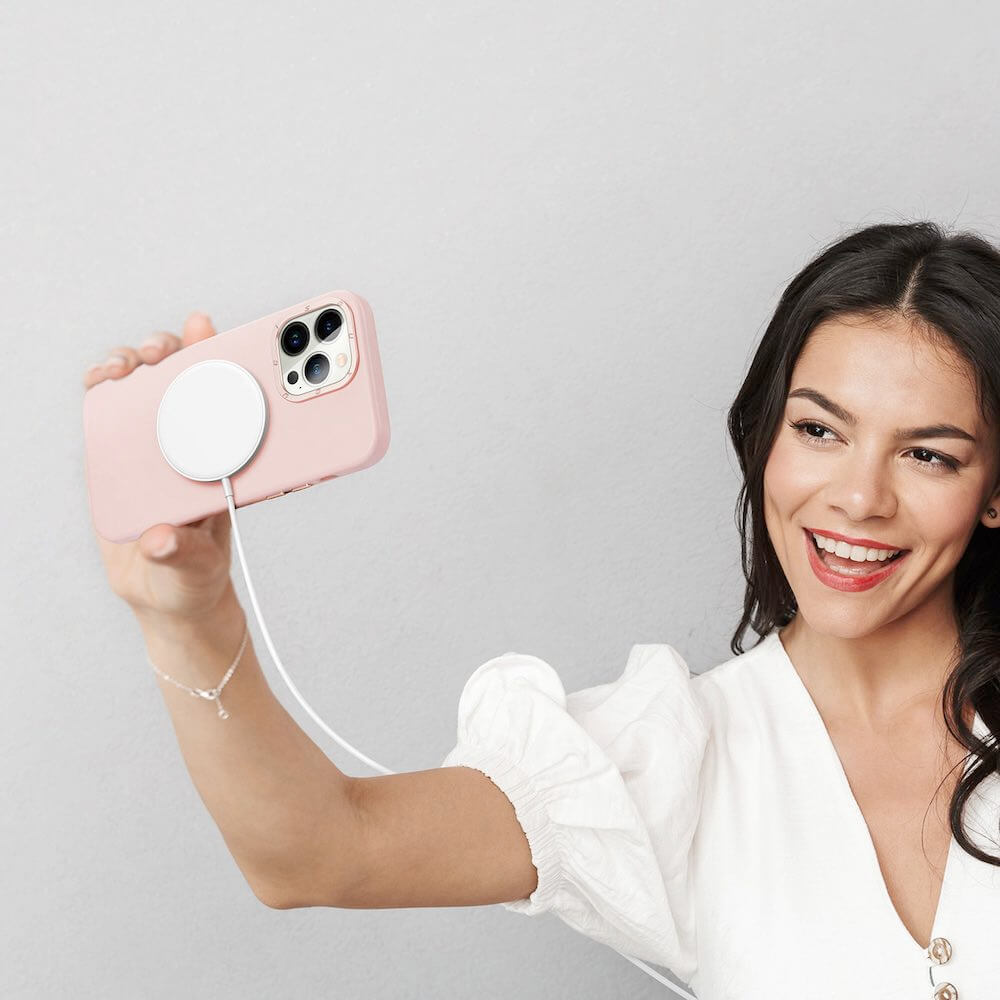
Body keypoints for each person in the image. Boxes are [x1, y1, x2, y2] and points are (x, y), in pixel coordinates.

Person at [82, 221, 1000, 999]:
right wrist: (188, 616)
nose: (859, 499)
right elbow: (320, 852)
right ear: (767, 438)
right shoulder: (669, 757)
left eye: (928, 455)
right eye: (818, 430)